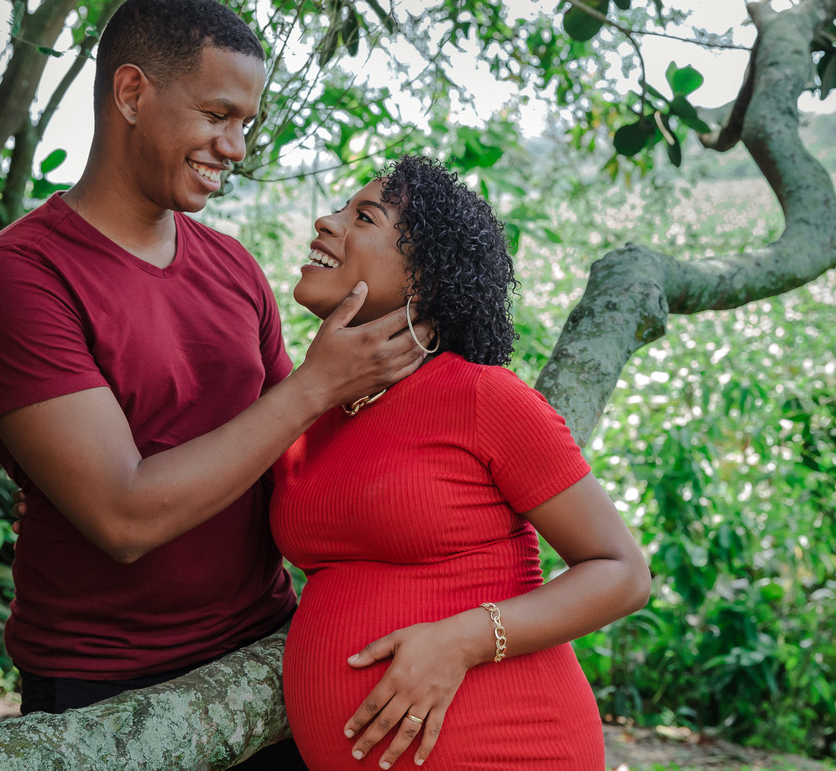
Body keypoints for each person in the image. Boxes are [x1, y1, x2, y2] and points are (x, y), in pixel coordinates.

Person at [0, 0, 430, 767]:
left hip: (264, 656)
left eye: (246, 124)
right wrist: (314, 385)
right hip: (103, 689)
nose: (236, 148)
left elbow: (293, 465)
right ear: (132, 93)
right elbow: (123, 517)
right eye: (217, 115)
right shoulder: (19, 278)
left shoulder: (232, 267)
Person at [270, 154, 652, 770]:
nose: (326, 221)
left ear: (423, 277)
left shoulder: (481, 396)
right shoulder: (310, 412)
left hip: (511, 744)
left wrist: (464, 639)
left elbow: (622, 572)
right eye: (340, 208)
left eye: (363, 216)